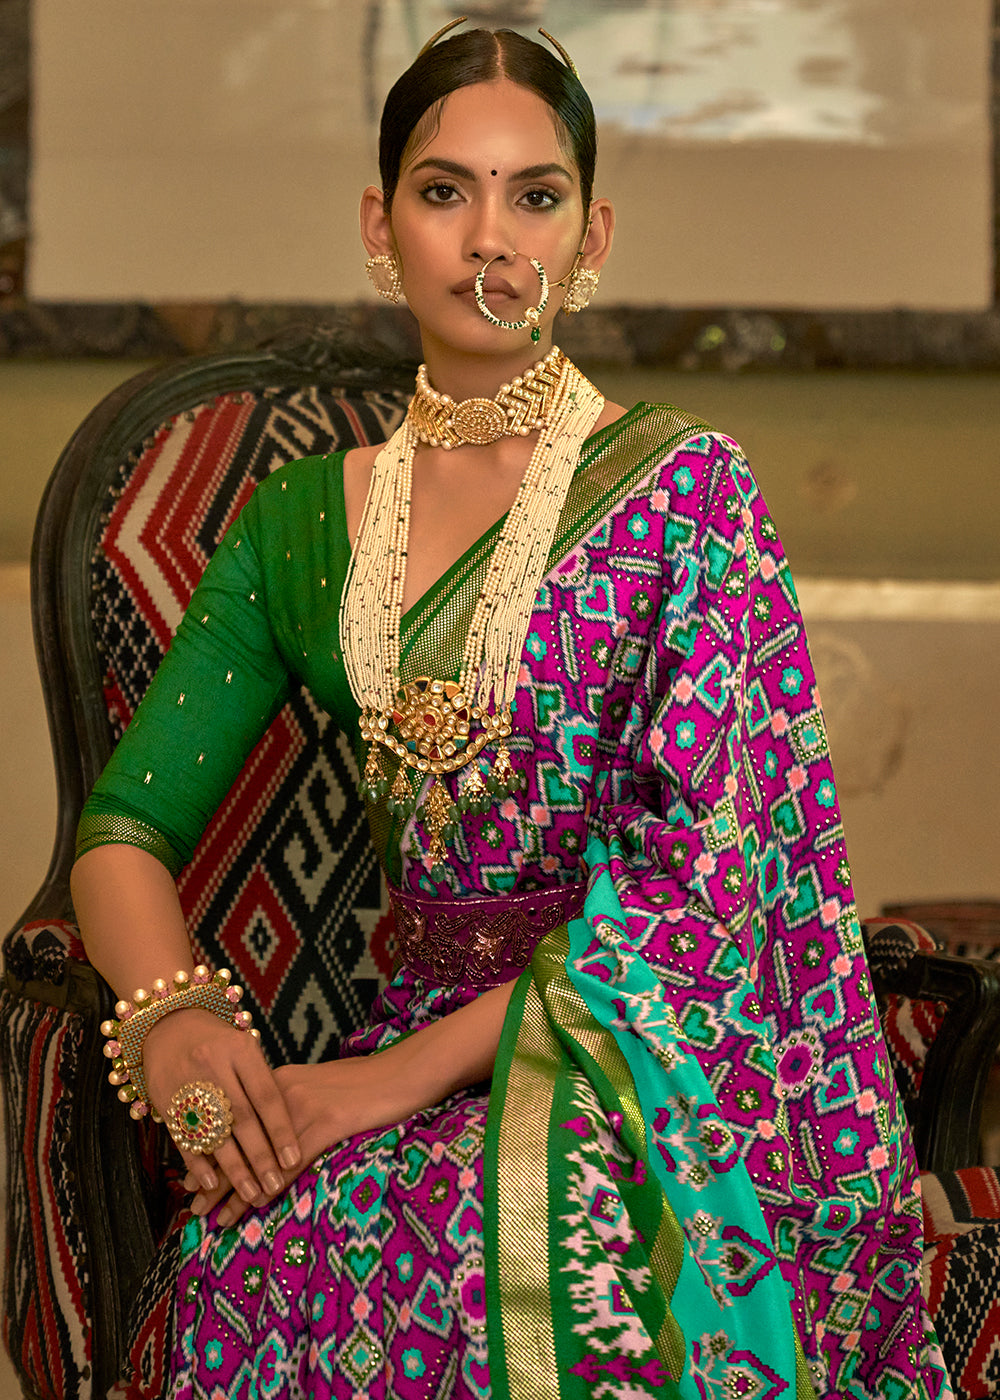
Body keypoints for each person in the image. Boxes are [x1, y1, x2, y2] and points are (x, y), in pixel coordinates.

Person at [71, 21, 951, 1400]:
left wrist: (386, 1084)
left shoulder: (686, 496)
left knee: (546, 1250)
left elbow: (700, 887)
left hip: (656, 1060)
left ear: (592, 237)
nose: (491, 239)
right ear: (381, 225)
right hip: (409, 1041)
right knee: (263, 1252)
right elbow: (127, 824)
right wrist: (175, 1022)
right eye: (444, 191)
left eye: (534, 196)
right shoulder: (304, 525)